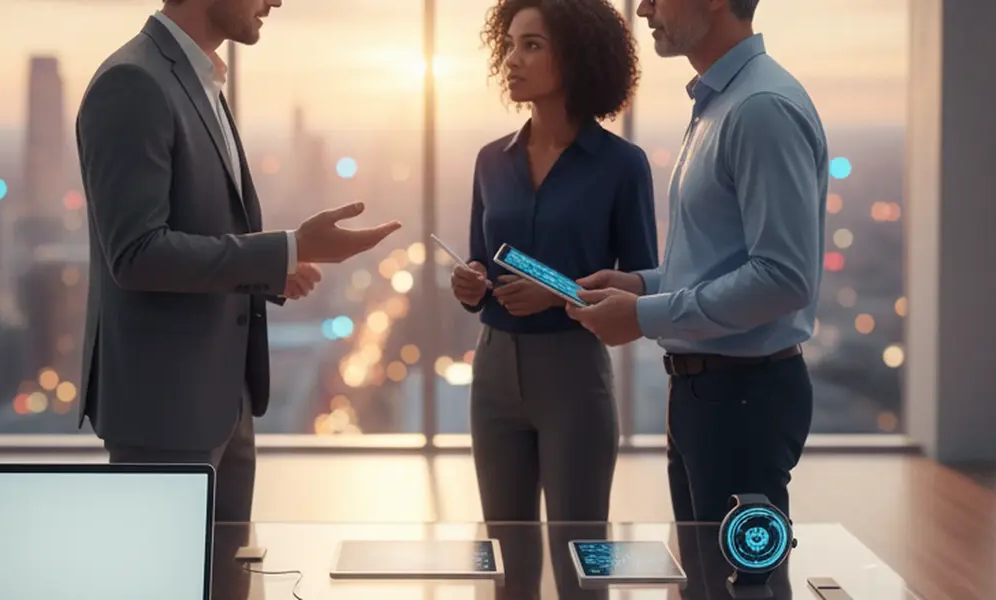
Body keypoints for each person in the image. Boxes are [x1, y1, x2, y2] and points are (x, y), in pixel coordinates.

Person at [75, 0, 400, 517]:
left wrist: (274, 270)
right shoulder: (133, 82)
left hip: (223, 400)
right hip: (166, 410)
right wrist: (290, 247)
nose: (275, 1)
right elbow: (136, 254)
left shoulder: (196, 79)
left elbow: (200, 229)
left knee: (228, 579)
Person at [566, 0, 826, 524]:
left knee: (737, 585)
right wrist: (642, 287)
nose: (642, 10)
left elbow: (783, 277)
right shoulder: (723, 102)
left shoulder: (759, 108)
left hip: (743, 398)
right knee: (710, 580)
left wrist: (643, 316)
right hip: (710, 393)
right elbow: (724, 262)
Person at [453, 0, 658, 526]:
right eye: (510, 45)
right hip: (493, 368)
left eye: (532, 45)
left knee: (580, 558)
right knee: (503, 554)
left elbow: (642, 287)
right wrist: (470, 280)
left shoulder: (622, 166)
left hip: (574, 372)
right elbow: (481, 258)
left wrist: (557, 291)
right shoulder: (489, 160)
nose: (512, 60)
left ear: (576, 55)